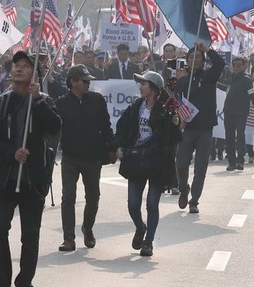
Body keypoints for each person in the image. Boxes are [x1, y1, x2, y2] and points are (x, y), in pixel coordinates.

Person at [0, 50, 61, 287]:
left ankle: (24, 286)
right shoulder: (2, 102)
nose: (18, 69)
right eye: (16, 65)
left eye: (25, 66)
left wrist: (37, 101)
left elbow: (54, 128)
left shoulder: (44, 101)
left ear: (34, 74)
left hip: (33, 179)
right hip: (6, 177)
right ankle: (1, 278)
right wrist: (11, 152)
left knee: (30, 235)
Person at [115, 71, 178, 257]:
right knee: (133, 204)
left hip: (156, 162)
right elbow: (122, 126)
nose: (140, 87)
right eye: (140, 83)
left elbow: (172, 137)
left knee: (152, 203)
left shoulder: (165, 109)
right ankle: (140, 227)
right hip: (136, 160)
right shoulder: (136, 106)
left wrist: (174, 120)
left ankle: (148, 242)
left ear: (153, 88)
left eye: (144, 84)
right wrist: (118, 146)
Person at [55, 64, 113, 252]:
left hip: (93, 157)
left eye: (89, 81)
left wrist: (112, 148)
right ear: (73, 82)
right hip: (70, 157)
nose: (88, 84)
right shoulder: (62, 103)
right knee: (68, 197)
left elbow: (106, 126)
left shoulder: (97, 100)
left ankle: (87, 228)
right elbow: (54, 129)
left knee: (93, 197)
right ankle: (68, 238)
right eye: (84, 80)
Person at [175, 42, 224, 214]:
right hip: (187, 129)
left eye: (198, 57)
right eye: (191, 57)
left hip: (204, 129)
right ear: (186, 60)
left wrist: (207, 50)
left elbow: (220, 64)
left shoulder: (209, 77)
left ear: (203, 60)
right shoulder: (182, 82)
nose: (194, 60)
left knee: (201, 166)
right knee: (181, 165)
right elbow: (177, 103)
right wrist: (180, 117)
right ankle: (183, 190)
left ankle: (194, 200)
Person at [222, 56, 254, 171]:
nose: (235, 67)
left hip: (241, 113)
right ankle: (231, 162)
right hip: (228, 111)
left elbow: (252, 97)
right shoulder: (229, 78)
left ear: (244, 66)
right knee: (229, 138)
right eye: (234, 65)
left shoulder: (246, 80)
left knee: (240, 136)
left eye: (238, 65)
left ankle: (240, 161)